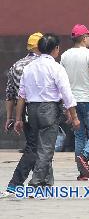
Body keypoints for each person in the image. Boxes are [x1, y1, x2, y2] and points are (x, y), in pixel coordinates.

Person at [13, 34, 80, 187]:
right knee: (46, 148)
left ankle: (47, 181)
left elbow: (21, 95)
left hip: (32, 109)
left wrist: (18, 119)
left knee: (38, 145)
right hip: (49, 109)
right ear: (55, 49)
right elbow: (66, 93)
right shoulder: (56, 68)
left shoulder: (29, 67)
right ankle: (36, 181)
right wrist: (74, 116)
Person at [1, 32, 43, 197]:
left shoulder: (16, 65)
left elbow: (10, 94)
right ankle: (15, 184)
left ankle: (40, 184)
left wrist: (10, 117)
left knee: (37, 146)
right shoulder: (45, 64)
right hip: (43, 111)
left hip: (23, 113)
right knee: (36, 148)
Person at [60, 24, 89, 181]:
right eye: (88, 36)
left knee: (79, 135)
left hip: (72, 100)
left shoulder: (64, 55)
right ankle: (85, 155)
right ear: (84, 38)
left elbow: (62, 80)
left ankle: (83, 173)